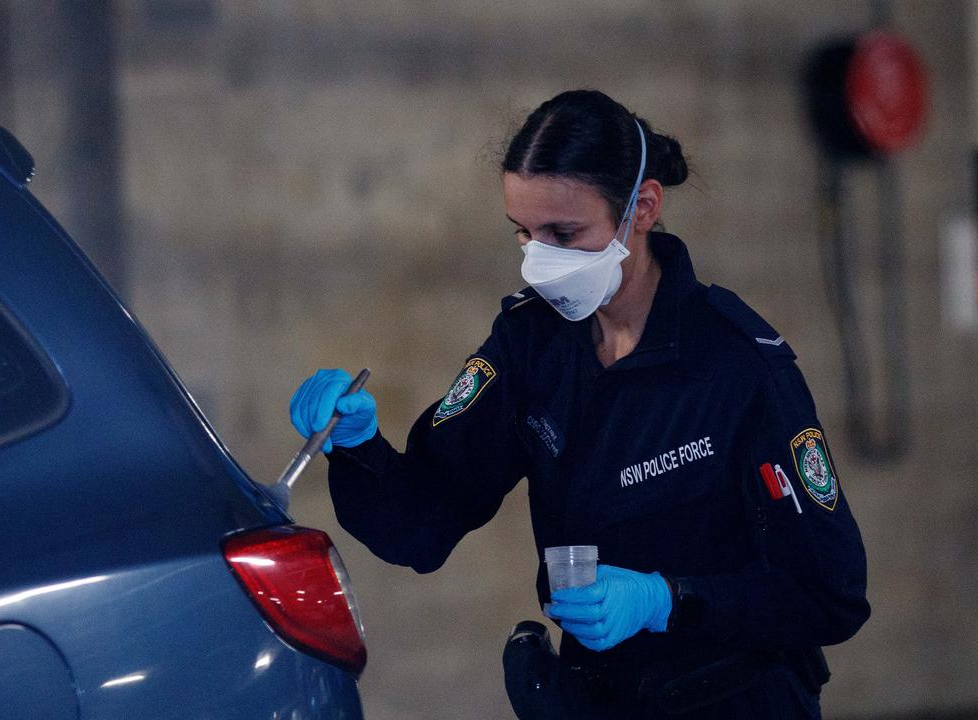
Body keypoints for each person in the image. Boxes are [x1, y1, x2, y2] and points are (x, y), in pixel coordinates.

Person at [288, 89, 869, 719]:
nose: (541, 261)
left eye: (564, 233)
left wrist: (667, 599)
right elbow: (423, 527)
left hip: (735, 701)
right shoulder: (530, 344)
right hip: (599, 699)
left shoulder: (737, 365)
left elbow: (829, 592)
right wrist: (358, 447)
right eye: (525, 233)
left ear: (641, 209)